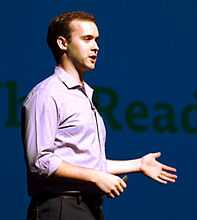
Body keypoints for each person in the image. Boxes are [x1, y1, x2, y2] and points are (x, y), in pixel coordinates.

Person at [21, 11, 177, 220]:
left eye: (96, 40)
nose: (96, 47)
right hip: (60, 207)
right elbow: (40, 161)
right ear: (62, 43)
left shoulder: (84, 95)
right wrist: (95, 177)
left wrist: (138, 164)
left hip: (89, 207)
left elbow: (89, 162)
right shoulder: (46, 94)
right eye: (87, 39)